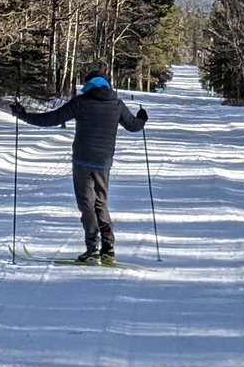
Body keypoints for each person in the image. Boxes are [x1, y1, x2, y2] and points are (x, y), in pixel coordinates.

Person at [10, 70, 148, 264]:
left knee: (87, 204)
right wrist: (142, 117)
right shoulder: (116, 105)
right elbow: (134, 126)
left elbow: (51, 119)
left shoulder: (81, 102)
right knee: (100, 203)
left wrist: (23, 115)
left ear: (89, 84)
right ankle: (108, 249)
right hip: (104, 162)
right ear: (106, 85)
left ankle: (92, 249)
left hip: (82, 161)